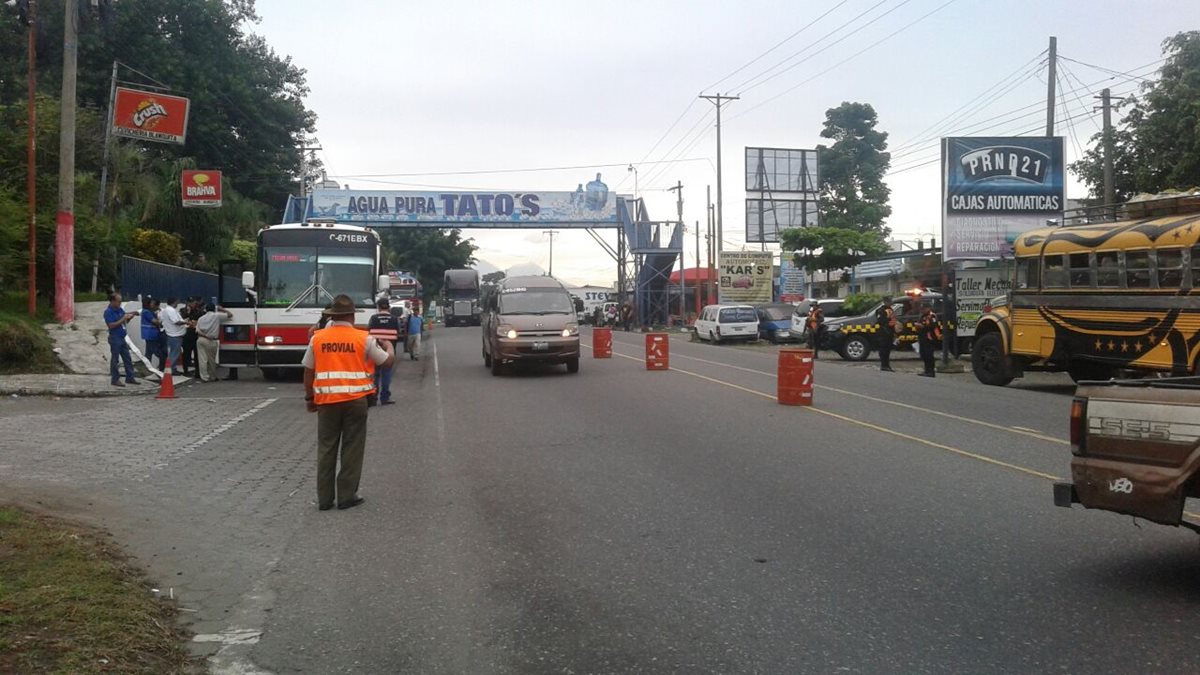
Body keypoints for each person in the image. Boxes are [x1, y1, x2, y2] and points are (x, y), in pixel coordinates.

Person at [303, 295, 395, 511]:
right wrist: (389, 347)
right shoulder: (364, 338)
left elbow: (308, 371)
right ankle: (346, 496)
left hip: (326, 401)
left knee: (326, 448)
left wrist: (309, 399)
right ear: (353, 316)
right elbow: (386, 362)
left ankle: (325, 499)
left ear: (333, 316)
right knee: (352, 448)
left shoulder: (317, 338)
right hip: (356, 401)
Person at [366, 298, 402, 405]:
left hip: (375, 350)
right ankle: (385, 397)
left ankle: (373, 396)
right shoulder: (394, 319)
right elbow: (398, 333)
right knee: (386, 374)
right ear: (388, 307)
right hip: (389, 351)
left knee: (375, 374)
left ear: (378, 307)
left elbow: (368, 332)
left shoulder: (373, 318)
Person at [103, 293, 140, 387]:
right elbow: (111, 325)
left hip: (122, 337)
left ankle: (130, 377)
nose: (120, 303)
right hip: (115, 337)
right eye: (118, 301)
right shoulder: (108, 312)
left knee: (127, 358)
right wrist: (123, 318)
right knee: (115, 359)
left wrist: (129, 318)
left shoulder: (120, 310)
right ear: (113, 301)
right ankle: (115, 379)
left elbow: (124, 321)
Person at [195, 303, 232, 383]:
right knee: (211, 360)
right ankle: (212, 376)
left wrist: (205, 335)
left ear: (206, 309)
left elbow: (197, 330)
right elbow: (230, 315)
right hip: (212, 340)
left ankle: (204, 377)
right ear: (214, 309)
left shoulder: (200, 318)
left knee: (202, 359)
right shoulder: (217, 316)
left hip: (201, 339)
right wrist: (222, 309)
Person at [159, 297, 188, 375]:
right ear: (174, 302)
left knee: (173, 352)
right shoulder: (171, 310)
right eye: (177, 303)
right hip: (175, 334)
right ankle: (170, 369)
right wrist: (186, 322)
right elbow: (176, 322)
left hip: (171, 333)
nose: (177, 305)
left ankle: (172, 368)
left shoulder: (165, 310)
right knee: (174, 353)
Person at [140, 296, 166, 371]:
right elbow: (155, 321)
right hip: (151, 335)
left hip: (149, 335)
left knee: (148, 353)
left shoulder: (148, 311)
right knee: (158, 352)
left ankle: (147, 368)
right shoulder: (147, 312)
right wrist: (161, 322)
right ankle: (162, 365)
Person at [181, 297, 203, 376]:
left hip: (195, 334)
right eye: (190, 303)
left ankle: (197, 372)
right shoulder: (182, 311)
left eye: (193, 303)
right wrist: (188, 313)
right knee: (186, 354)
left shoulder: (198, 311)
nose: (192, 304)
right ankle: (185, 370)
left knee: (197, 354)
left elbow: (200, 320)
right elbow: (182, 319)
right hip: (186, 335)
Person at [917, 305, 942, 377]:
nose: (922, 310)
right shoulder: (922, 316)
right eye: (922, 309)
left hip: (930, 338)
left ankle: (931, 371)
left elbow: (933, 326)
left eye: (924, 309)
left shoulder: (932, 316)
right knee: (923, 354)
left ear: (928, 308)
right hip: (922, 338)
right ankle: (926, 370)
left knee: (929, 355)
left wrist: (923, 326)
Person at [875, 296, 897, 372]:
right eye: (890, 301)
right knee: (883, 350)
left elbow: (893, 320)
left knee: (887, 349)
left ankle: (887, 365)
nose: (891, 302)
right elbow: (881, 321)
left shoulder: (890, 309)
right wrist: (888, 326)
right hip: (883, 333)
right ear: (885, 302)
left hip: (890, 332)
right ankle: (884, 365)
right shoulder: (881, 310)